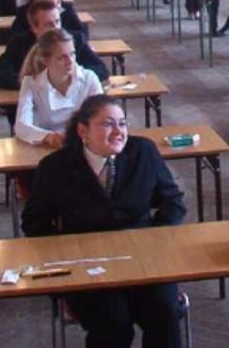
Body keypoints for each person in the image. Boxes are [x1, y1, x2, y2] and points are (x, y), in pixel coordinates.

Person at [21, 95, 186, 347]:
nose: (118, 132)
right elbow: (35, 223)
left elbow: (172, 201)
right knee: (113, 323)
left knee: (164, 312)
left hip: (143, 258)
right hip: (88, 265)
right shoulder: (55, 167)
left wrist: (155, 239)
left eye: (122, 123)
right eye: (108, 124)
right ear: (82, 131)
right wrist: (65, 256)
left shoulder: (143, 151)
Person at [0, 0, 108, 90]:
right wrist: (39, 81)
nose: (56, 28)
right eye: (49, 24)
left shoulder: (75, 40)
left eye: (57, 22)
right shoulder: (19, 43)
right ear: (34, 28)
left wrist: (70, 77)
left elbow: (101, 69)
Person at [15, 28, 104, 146]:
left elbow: (102, 116)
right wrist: (48, 136)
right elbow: (21, 126)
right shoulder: (31, 83)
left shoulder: (89, 79)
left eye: (72, 54)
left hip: (82, 144)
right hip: (45, 146)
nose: (70, 61)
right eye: (62, 57)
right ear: (46, 61)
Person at [11, 0, 87, 39]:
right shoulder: (24, 11)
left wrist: (60, 34)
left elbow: (82, 33)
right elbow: (15, 35)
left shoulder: (66, 8)